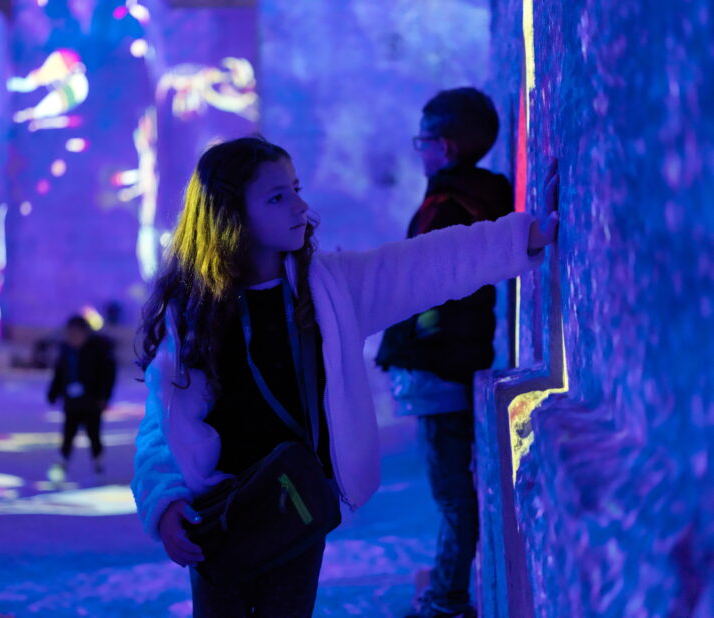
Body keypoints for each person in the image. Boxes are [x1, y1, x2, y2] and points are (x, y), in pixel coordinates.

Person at [131, 136, 557, 617]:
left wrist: (521, 238)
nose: (300, 205)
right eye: (277, 197)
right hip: (218, 510)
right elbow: (162, 423)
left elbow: (424, 266)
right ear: (231, 216)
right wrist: (164, 501)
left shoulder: (329, 289)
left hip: (298, 502)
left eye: (295, 188)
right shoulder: (191, 313)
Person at [374, 87, 523, 618]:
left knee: (453, 497)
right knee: (455, 495)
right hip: (456, 360)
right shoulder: (486, 196)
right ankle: (446, 589)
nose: (420, 151)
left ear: (449, 145)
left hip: (437, 366)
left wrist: (413, 342)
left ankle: (447, 599)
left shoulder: (444, 206)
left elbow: (425, 286)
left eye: (425, 141)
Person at [47, 315, 117, 479]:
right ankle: (63, 460)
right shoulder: (66, 350)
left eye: (76, 333)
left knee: (93, 433)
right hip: (71, 402)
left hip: (92, 402)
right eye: (70, 333)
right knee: (68, 432)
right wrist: (53, 392)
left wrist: (104, 397)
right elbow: (59, 374)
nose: (73, 337)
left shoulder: (98, 350)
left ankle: (97, 461)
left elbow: (108, 375)